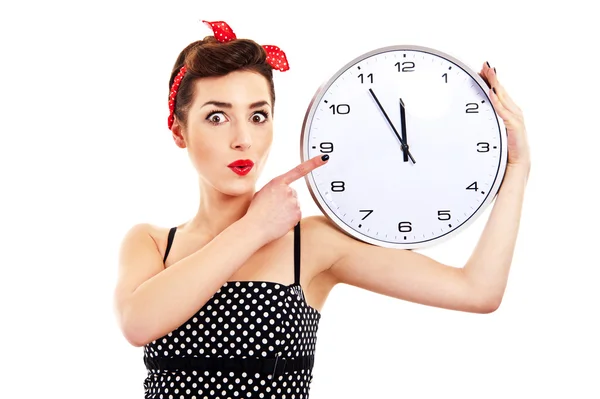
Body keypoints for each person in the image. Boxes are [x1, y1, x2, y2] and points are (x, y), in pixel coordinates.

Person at [113, 20, 531, 399]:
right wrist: (254, 228)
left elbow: (478, 291)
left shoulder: (310, 244)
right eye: (217, 117)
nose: (243, 138)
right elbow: (138, 324)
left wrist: (517, 167)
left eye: (258, 116)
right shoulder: (151, 242)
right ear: (178, 130)